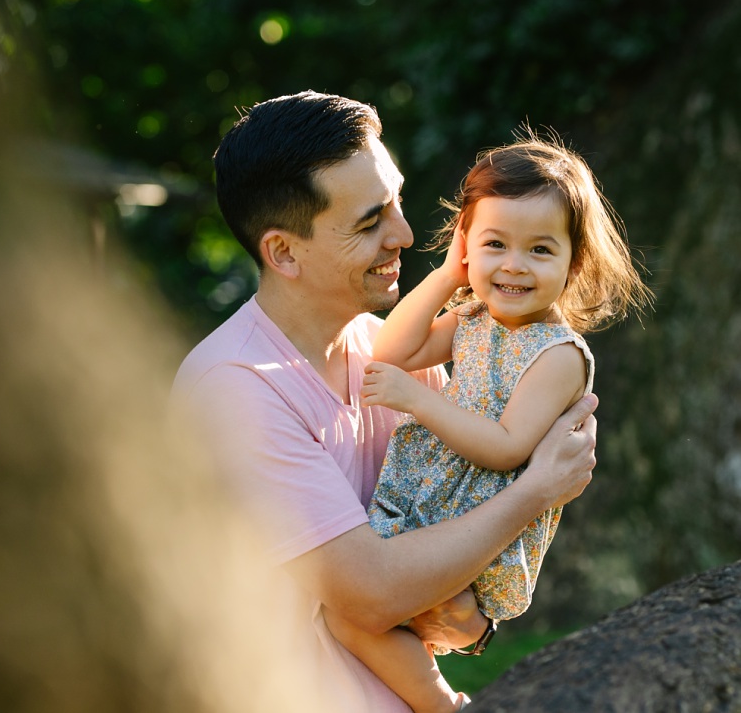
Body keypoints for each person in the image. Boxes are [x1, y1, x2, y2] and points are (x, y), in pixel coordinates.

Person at [171, 91, 600, 711]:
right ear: (284, 251)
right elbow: (372, 593)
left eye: (395, 200)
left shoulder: (386, 347)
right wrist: (538, 487)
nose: (403, 232)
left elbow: (448, 542)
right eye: (370, 221)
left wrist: (474, 623)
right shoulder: (236, 385)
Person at [324, 134, 652, 711]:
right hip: (429, 504)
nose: (514, 266)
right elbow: (394, 353)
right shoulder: (475, 315)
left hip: (478, 526)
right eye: (494, 244)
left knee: (363, 614)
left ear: (574, 261)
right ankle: (445, 702)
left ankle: (438, 701)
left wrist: (420, 403)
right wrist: (450, 276)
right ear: (468, 246)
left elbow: (506, 447)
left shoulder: (557, 354)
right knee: (358, 615)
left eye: (540, 250)